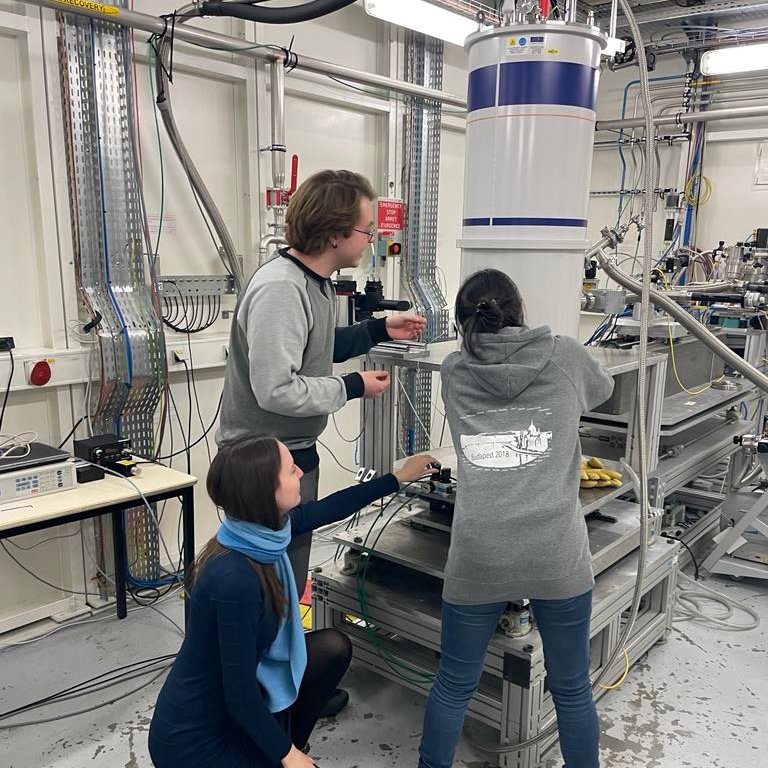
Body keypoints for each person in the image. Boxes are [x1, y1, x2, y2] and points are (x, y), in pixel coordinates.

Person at [417, 269, 615, 768]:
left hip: (480, 550)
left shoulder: (454, 370)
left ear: (463, 321)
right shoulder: (566, 356)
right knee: (572, 688)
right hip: (556, 550)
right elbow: (604, 388)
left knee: (454, 685)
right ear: (521, 310)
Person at [149, 434, 436, 768]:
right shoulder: (234, 579)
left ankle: (282, 749)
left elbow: (331, 507)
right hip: (198, 738)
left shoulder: (266, 531)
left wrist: (398, 478)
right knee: (293, 758)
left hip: (235, 700)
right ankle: (282, 754)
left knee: (333, 648)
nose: (300, 471)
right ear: (264, 492)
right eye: (290, 469)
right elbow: (239, 694)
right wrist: (290, 756)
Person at [218, 168, 426, 606]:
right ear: (334, 234)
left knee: (290, 577)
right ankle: (271, 648)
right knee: (270, 590)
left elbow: (317, 344)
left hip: (290, 451)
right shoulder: (281, 287)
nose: (371, 239)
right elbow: (276, 389)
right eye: (365, 230)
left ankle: (286, 642)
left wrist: (379, 329)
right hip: (261, 464)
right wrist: (352, 386)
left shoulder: (314, 282)